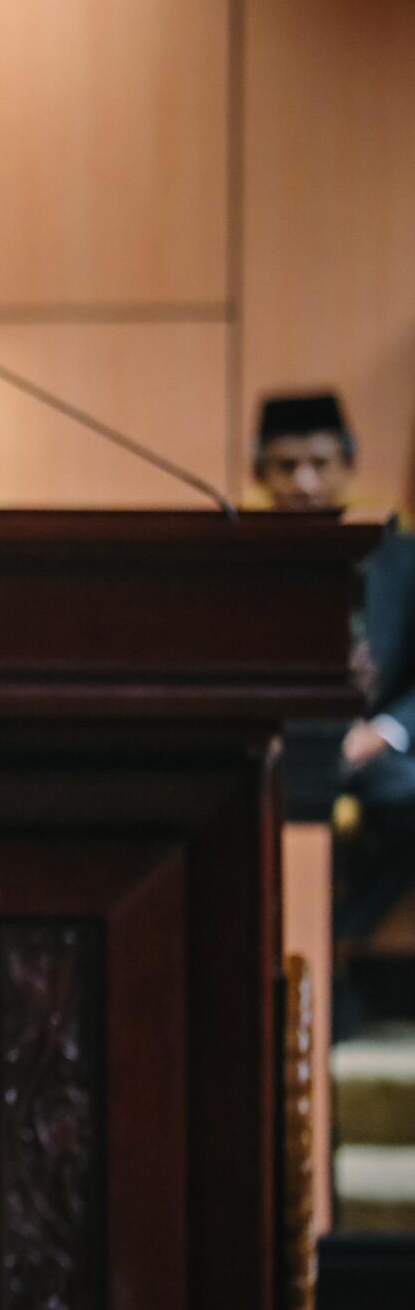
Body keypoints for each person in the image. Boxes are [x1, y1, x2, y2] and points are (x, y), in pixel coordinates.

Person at [253, 391, 415, 945]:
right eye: (286, 466)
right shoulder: (237, 561)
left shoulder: (401, 557)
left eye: (320, 464)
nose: (305, 483)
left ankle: (334, 944)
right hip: (272, 744)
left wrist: (382, 733)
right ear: (260, 474)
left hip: (365, 745)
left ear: (348, 465)